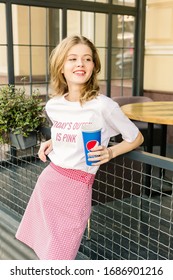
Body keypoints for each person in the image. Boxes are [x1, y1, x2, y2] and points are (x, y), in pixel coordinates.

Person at [15, 35, 144, 260]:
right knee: (43, 249)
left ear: (94, 66)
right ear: (61, 67)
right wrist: (54, 140)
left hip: (77, 187)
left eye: (87, 59)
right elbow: (67, 130)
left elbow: (135, 137)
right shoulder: (54, 105)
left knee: (61, 254)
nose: (80, 64)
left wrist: (111, 151)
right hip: (49, 181)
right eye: (72, 59)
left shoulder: (103, 106)